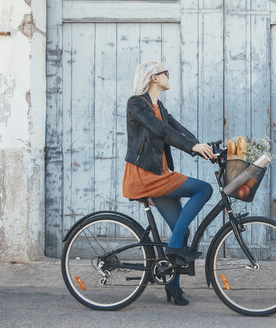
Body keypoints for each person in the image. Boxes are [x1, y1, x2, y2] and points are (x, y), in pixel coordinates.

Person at [123, 61, 214, 305]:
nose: (168, 76)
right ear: (154, 78)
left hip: (159, 174)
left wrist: (202, 148)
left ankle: (173, 287)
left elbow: (177, 129)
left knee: (181, 231)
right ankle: (174, 248)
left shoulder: (159, 105)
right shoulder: (137, 103)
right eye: (166, 73)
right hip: (146, 175)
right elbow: (160, 130)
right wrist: (192, 146)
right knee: (204, 189)